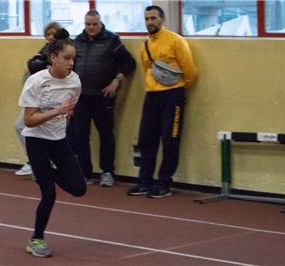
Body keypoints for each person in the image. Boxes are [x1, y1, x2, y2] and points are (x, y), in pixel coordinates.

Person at [19, 28, 87, 258]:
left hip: (58, 140)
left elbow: (69, 112)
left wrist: (62, 122)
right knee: (49, 194)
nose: (71, 63)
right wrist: (57, 110)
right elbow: (29, 120)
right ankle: (36, 239)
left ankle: (43, 172)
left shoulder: (75, 82)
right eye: (67, 58)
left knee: (79, 189)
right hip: (36, 140)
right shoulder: (36, 82)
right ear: (54, 58)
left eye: (73, 59)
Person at [127, 5, 198, 198]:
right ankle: (145, 181)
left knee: (170, 140)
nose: (149, 22)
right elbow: (146, 69)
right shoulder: (146, 45)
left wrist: (180, 90)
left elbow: (190, 70)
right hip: (151, 96)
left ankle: (165, 182)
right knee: (146, 139)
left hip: (173, 96)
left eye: (153, 18)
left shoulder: (175, 41)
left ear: (162, 20)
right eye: (147, 19)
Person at [73, 10, 136, 187]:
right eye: (87, 24)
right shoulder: (76, 41)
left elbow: (129, 62)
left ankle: (107, 172)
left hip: (103, 98)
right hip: (80, 98)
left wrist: (117, 81)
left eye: (94, 24)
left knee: (106, 135)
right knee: (80, 136)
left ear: (101, 23)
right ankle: (84, 173)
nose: (91, 27)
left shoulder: (112, 40)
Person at [14, 22, 62, 176]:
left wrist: (45, 68)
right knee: (21, 126)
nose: (50, 37)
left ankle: (50, 164)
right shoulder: (45, 49)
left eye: (53, 34)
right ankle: (35, 161)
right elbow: (35, 65)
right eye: (47, 34)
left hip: (56, 99)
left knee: (52, 134)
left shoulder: (66, 50)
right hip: (39, 97)